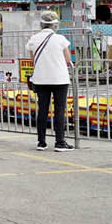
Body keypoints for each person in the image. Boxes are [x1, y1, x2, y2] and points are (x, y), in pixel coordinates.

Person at [26, 10, 74, 150]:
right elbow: (67, 59)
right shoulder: (60, 39)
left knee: (42, 109)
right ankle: (60, 142)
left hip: (41, 79)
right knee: (59, 109)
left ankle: (41, 142)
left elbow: (33, 59)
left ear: (41, 24)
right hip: (59, 79)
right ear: (54, 25)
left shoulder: (33, 39)